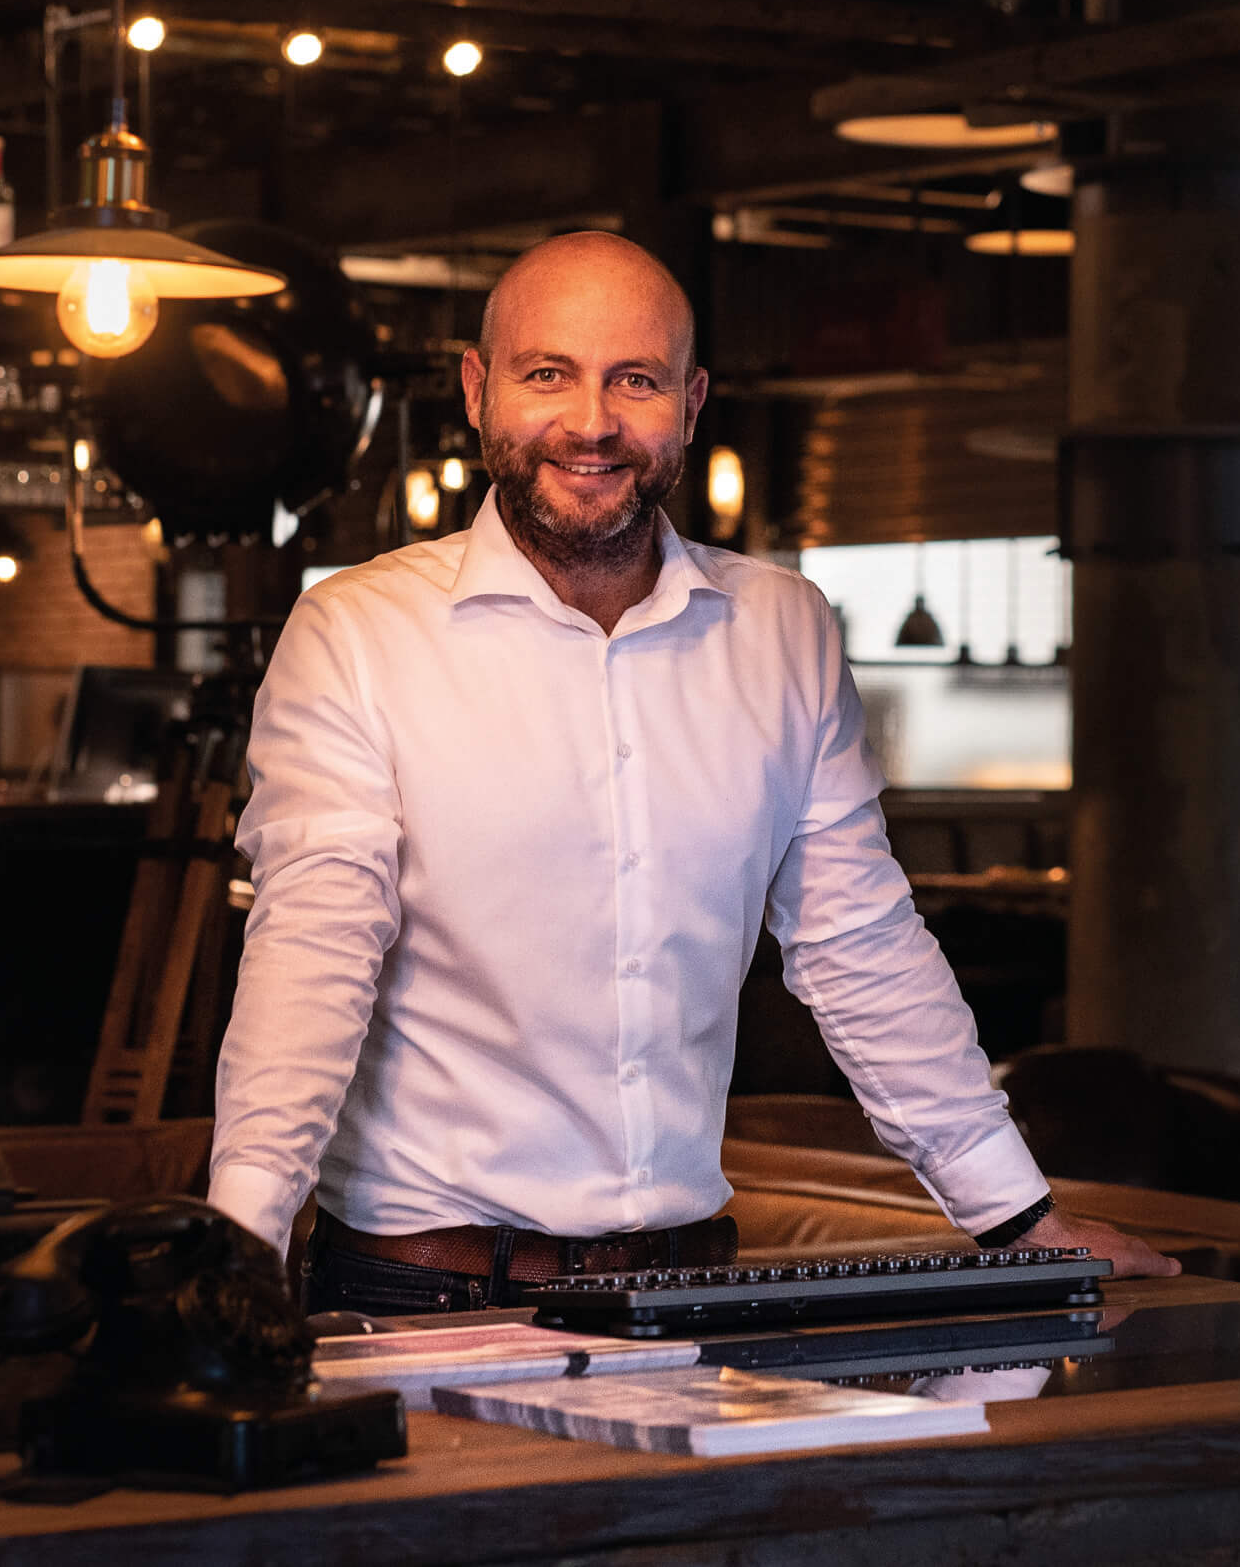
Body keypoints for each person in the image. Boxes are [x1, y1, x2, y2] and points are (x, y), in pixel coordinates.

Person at [208, 231, 1174, 1313]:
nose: (591, 422)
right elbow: (314, 947)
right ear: (478, 392)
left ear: (692, 398)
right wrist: (239, 1242)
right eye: (547, 374)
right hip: (421, 1294)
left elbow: (862, 946)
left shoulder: (783, 629)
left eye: (636, 379)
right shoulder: (356, 632)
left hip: (688, 1299)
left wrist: (1015, 1213)